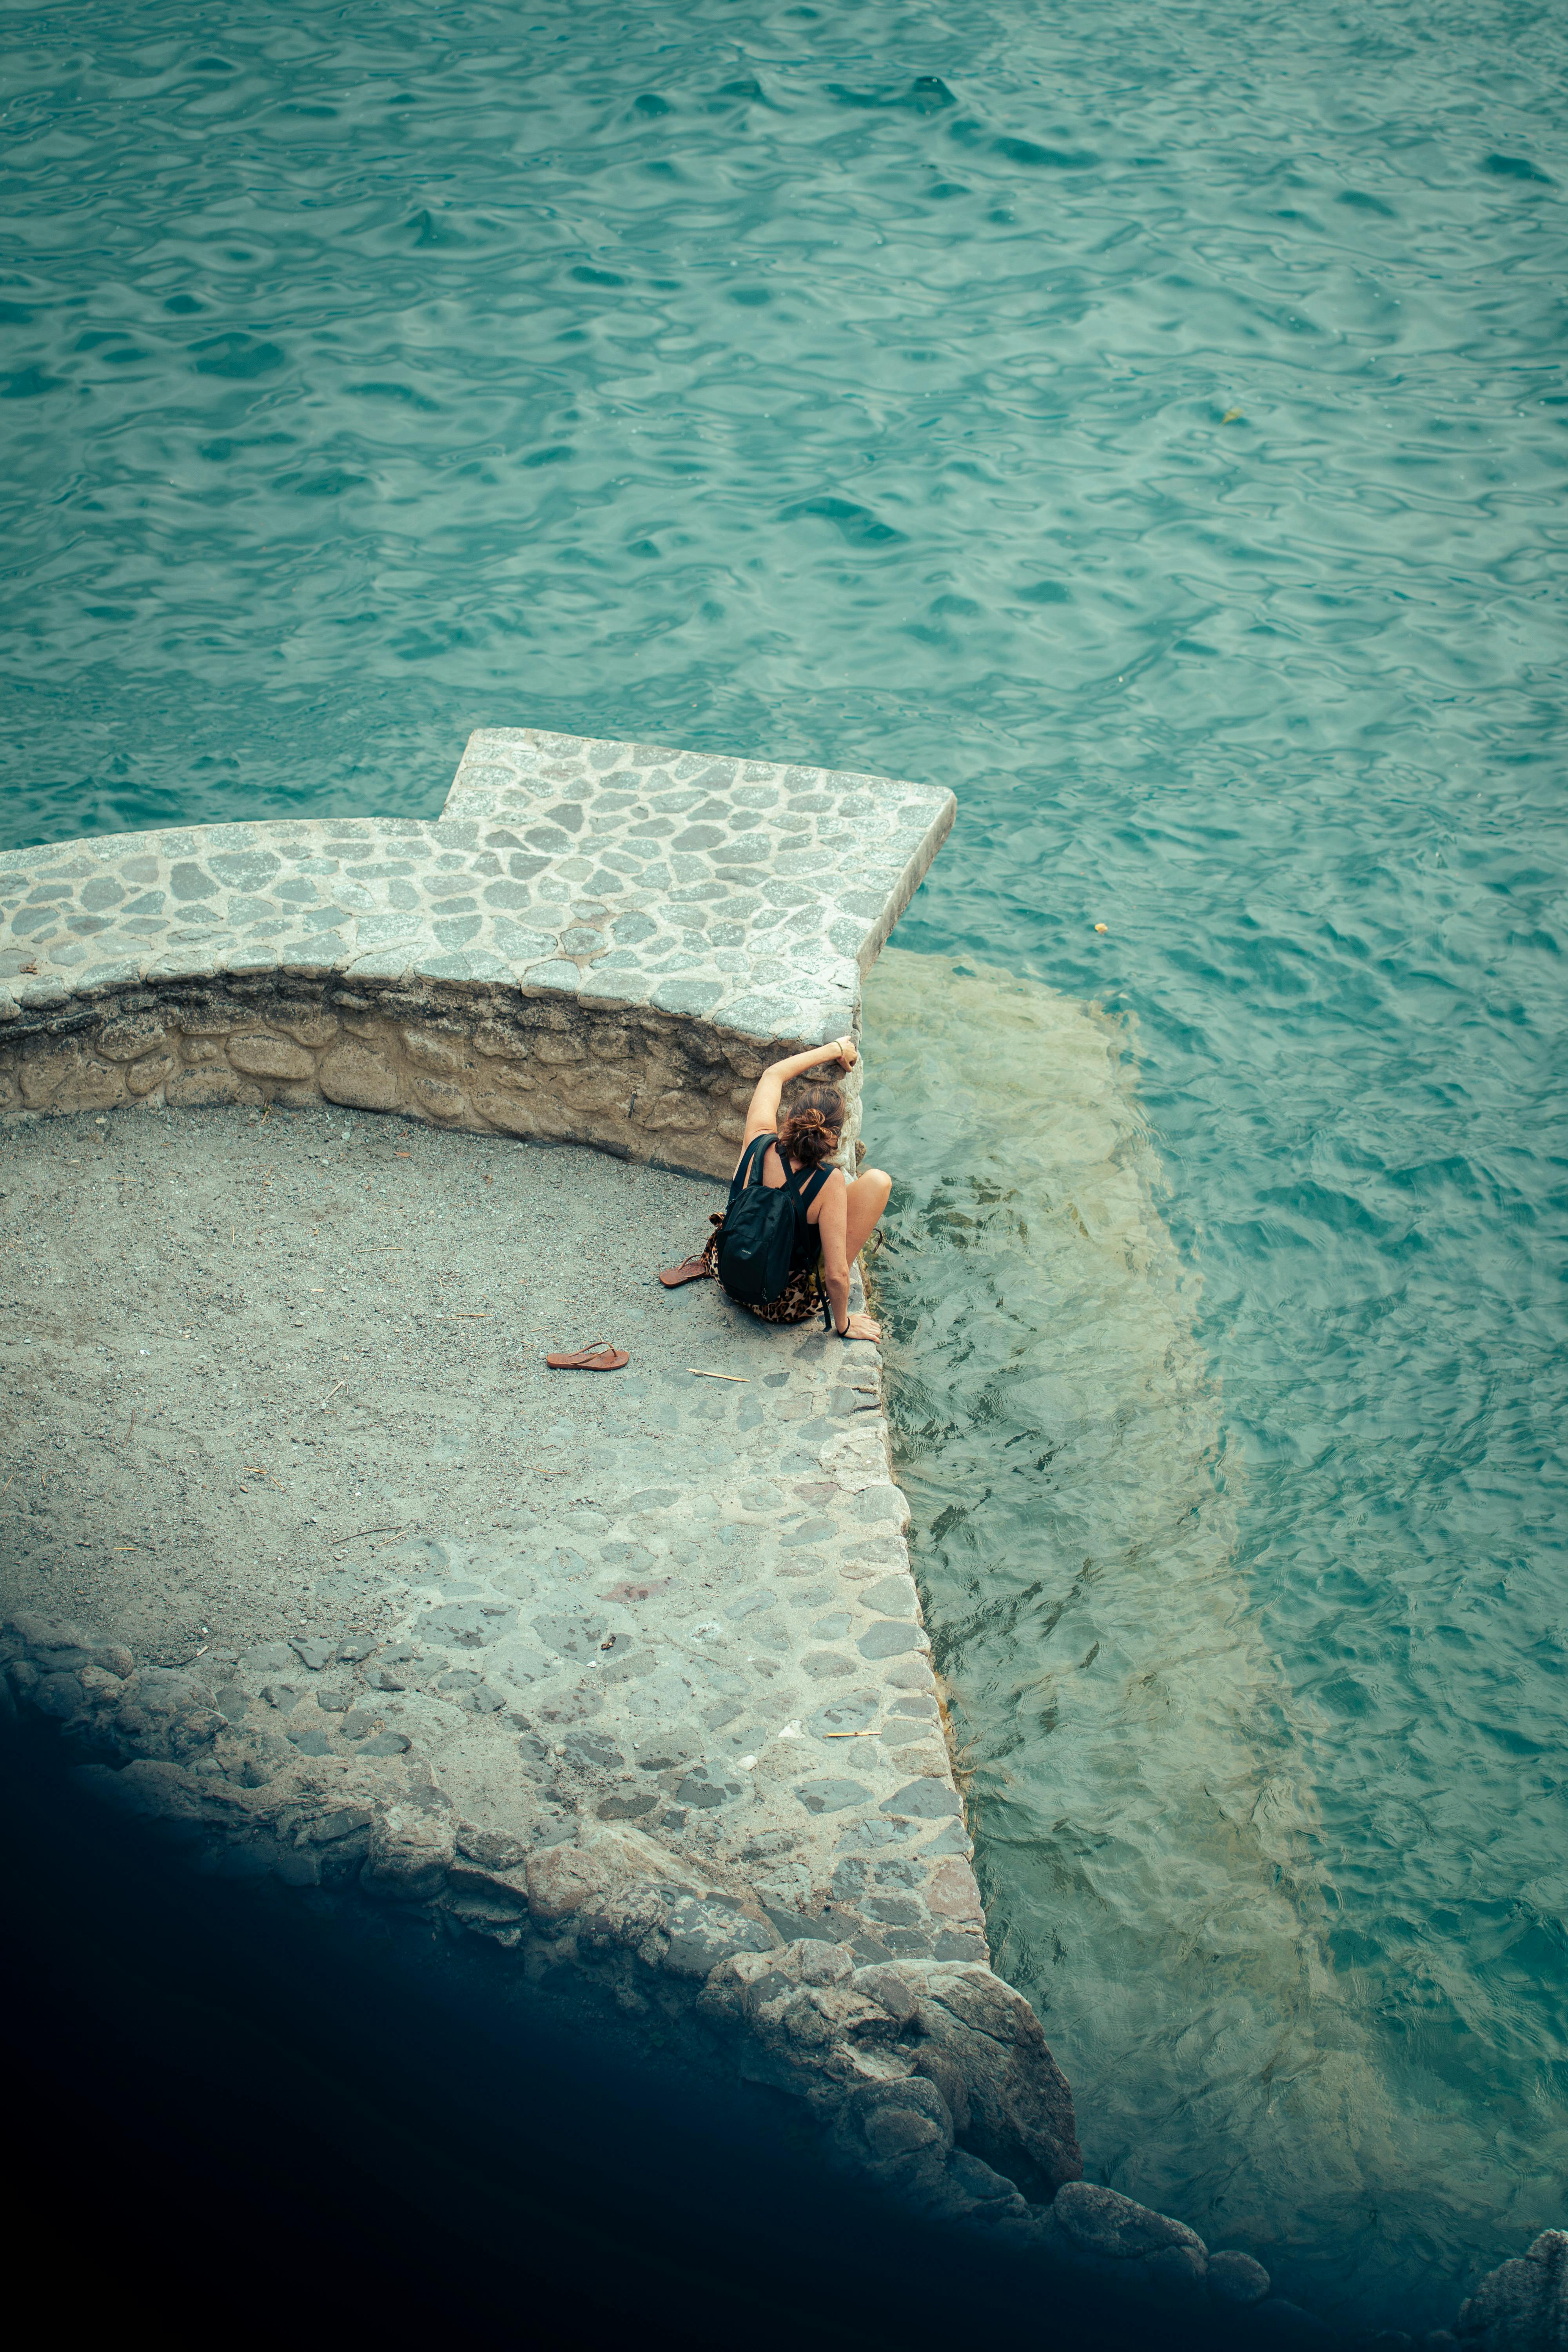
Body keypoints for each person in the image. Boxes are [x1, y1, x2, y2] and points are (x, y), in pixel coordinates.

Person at [660, 1037, 889, 1343]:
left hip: (728, 1273)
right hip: (781, 1305)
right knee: (878, 1182)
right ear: (834, 1138)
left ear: (792, 1116)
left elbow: (773, 1075)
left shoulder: (757, 1141)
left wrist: (835, 1049)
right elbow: (836, 1275)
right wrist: (844, 1323)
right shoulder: (828, 1181)